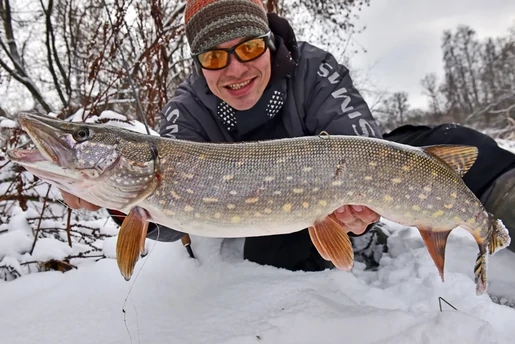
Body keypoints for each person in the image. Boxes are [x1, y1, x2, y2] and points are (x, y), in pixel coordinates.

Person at [60, 0, 515, 272]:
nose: (235, 69)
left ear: (269, 41)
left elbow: (360, 139)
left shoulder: (313, 68)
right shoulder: (187, 109)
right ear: (198, 62)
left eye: (249, 48)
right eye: (215, 58)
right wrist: (119, 204)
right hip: (277, 217)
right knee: (281, 249)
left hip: (334, 186)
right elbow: (172, 213)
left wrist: (363, 207)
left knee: (468, 146)